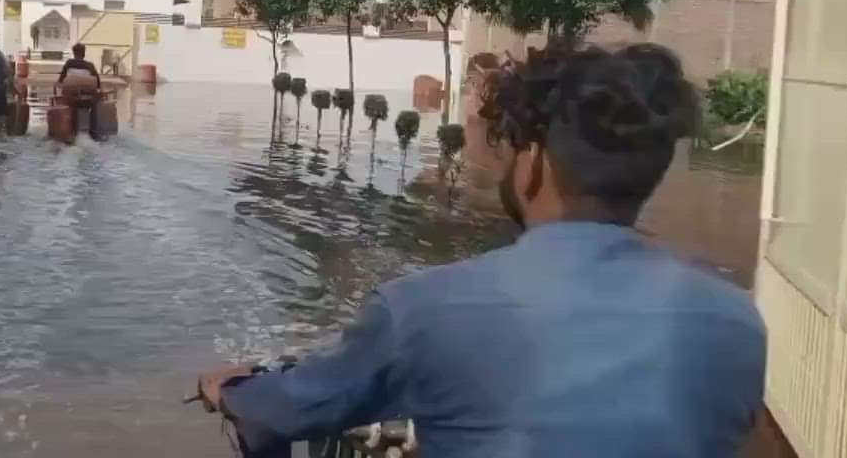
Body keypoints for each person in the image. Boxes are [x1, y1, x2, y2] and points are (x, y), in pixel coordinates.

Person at [196, 44, 767, 457]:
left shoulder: (421, 310)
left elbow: (293, 408)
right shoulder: (737, 320)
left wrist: (235, 390)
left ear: (534, 163)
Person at [58, 43, 102, 139]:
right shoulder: (90, 65)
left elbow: (61, 81)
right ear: (84, 54)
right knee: (97, 104)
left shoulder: (69, 63)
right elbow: (98, 84)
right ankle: (94, 131)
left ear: (74, 53)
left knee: (66, 102)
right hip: (88, 100)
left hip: (71, 99)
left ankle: (70, 130)